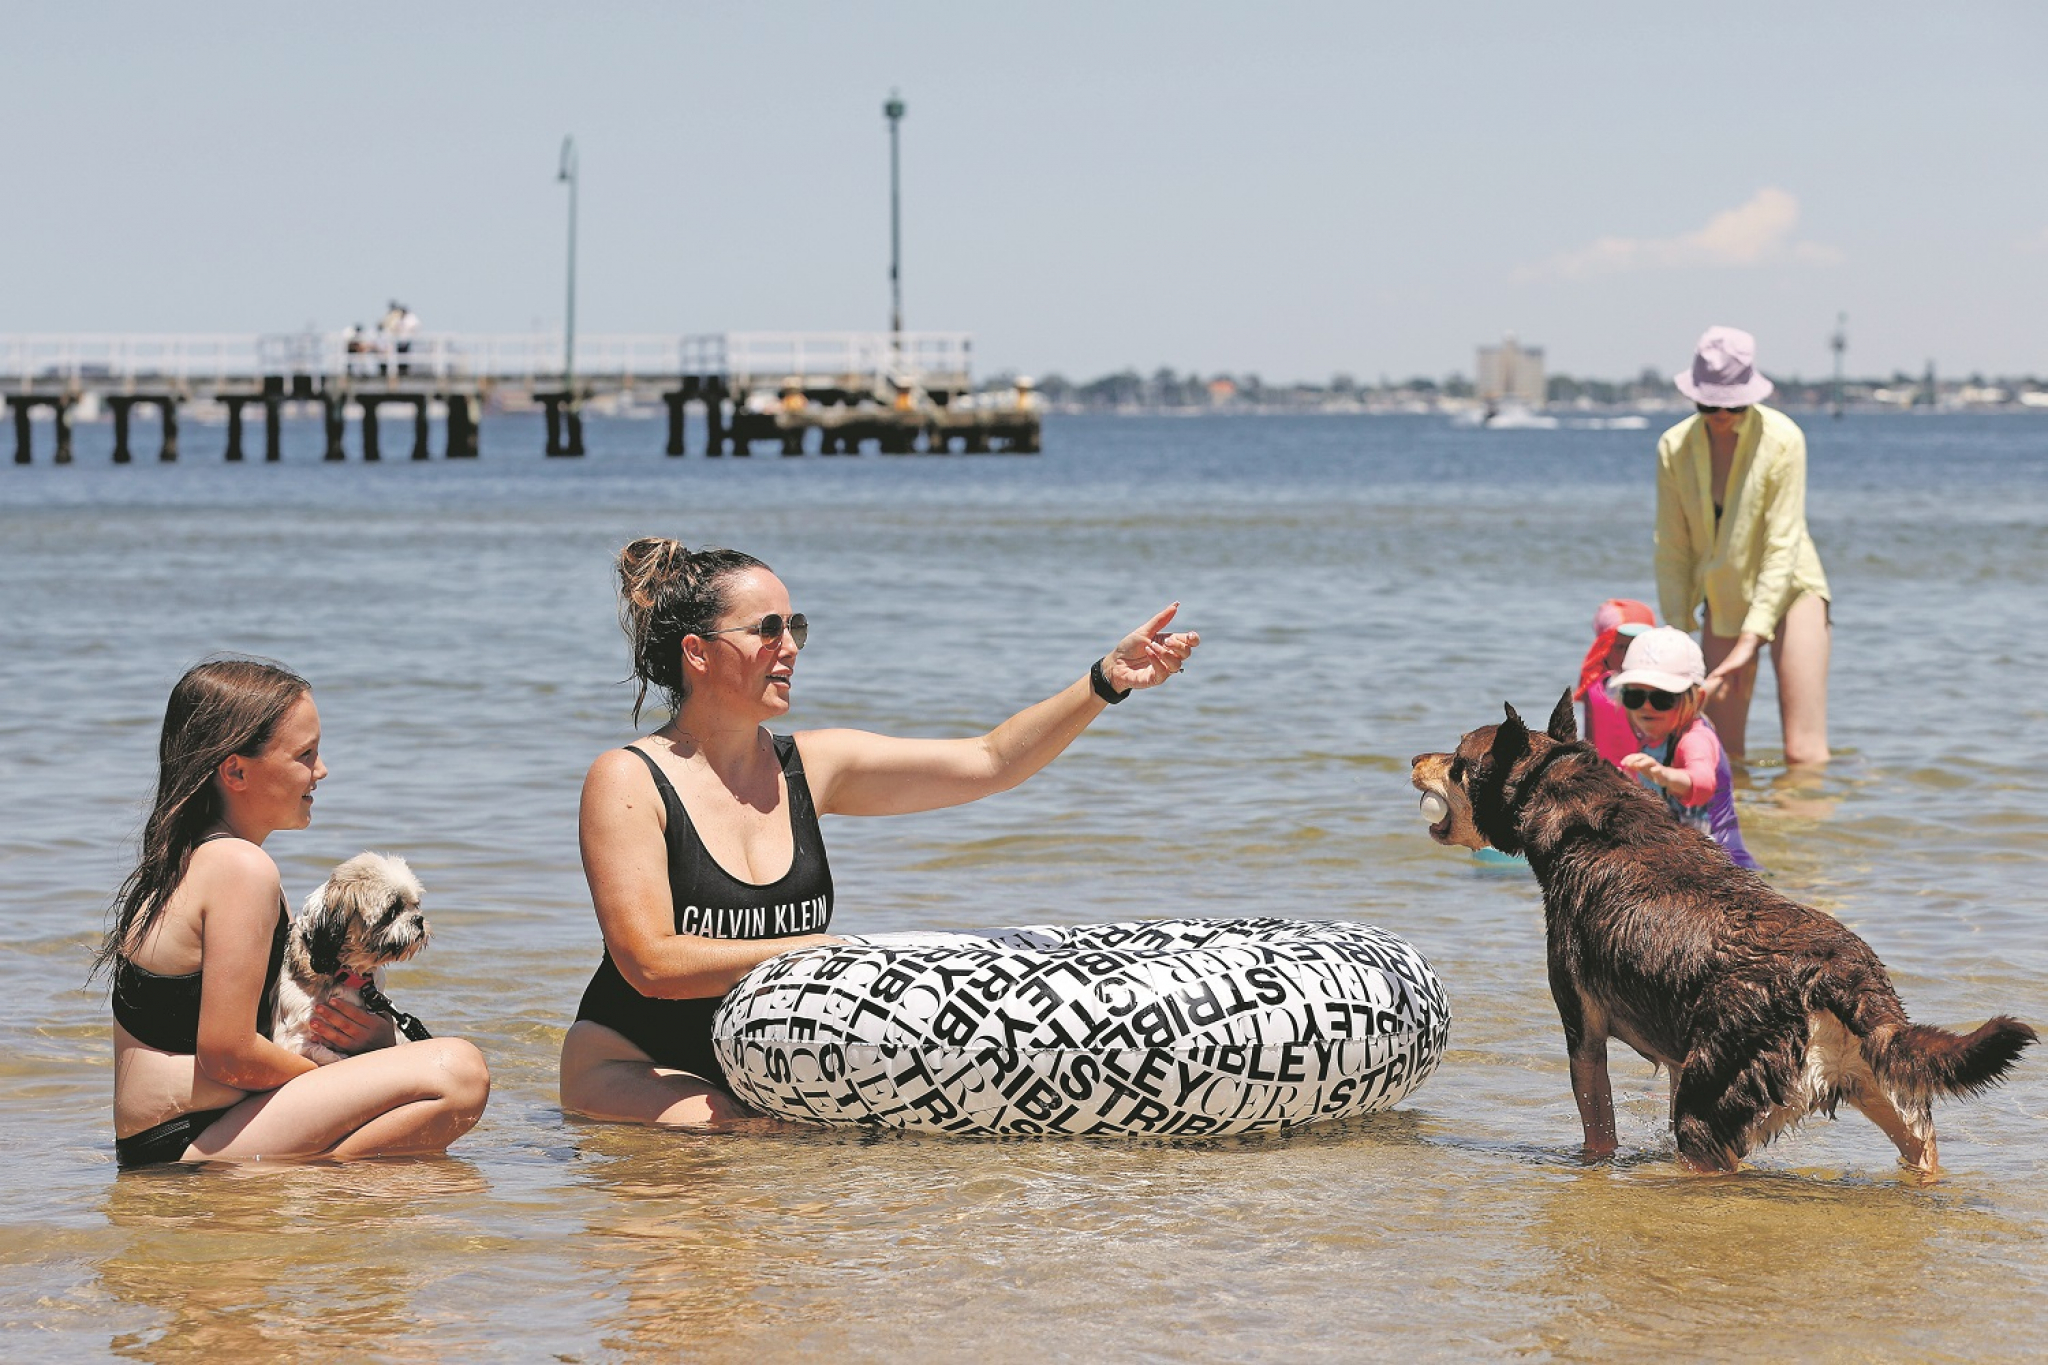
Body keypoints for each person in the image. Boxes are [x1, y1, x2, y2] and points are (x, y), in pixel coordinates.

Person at [559, 538, 1200, 1129]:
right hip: (634, 1064)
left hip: (767, 1067)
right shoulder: (629, 779)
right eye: (768, 630)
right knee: (740, 1136)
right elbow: (651, 964)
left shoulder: (813, 766)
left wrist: (1105, 681)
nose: (791, 647)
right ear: (697, 652)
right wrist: (814, 952)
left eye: (795, 627)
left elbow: (991, 762)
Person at [99, 658, 490, 1168]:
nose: (321, 771)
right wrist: (342, 1081)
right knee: (459, 1071)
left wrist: (371, 1046)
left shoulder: (186, 858)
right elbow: (227, 1053)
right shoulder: (240, 867)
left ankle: (325, 1175)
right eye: (305, 755)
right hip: (190, 1142)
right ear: (236, 770)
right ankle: (318, 1176)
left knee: (421, 1084)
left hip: (170, 1136)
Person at [1654, 325, 1831, 766]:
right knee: (1719, 755)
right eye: (1708, 403)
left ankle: (1813, 813)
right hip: (1724, 595)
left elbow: (1782, 543)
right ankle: (1750, 816)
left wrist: (1751, 640)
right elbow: (1672, 546)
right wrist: (1677, 630)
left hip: (1793, 589)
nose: (1720, 413)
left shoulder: (1784, 439)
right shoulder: (1674, 447)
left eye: (1732, 404)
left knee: (1803, 752)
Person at [1609, 627, 1760, 871]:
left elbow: (1702, 785)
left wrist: (1663, 775)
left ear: (1697, 700)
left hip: (1720, 862)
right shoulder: (1657, 734)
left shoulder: (1694, 739)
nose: (1646, 706)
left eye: (1662, 699)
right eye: (1634, 697)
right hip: (1684, 852)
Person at [1575, 597, 1656, 765]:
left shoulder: (1664, 691)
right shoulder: (1596, 687)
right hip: (1605, 774)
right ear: (1604, 650)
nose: (1630, 653)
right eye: (1621, 647)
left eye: (1637, 645)